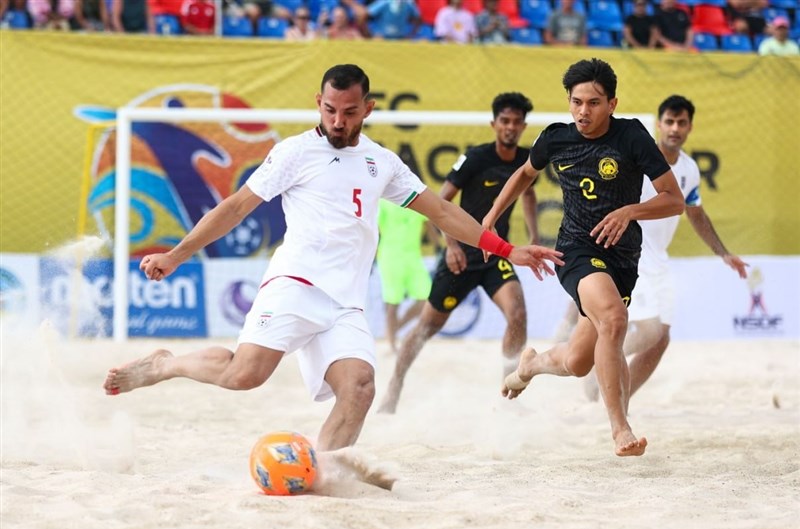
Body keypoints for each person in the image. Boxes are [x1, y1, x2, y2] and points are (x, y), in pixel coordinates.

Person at [103, 65, 563, 472]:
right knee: (245, 375)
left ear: (368, 108)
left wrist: (507, 249)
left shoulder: (382, 162)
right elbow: (237, 205)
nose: (337, 121)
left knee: (360, 387)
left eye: (348, 112)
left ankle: (319, 468)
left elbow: (443, 213)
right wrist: (177, 253)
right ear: (318, 105)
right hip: (296, 283)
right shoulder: (293, 153)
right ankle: (165, 364)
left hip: (345, 302)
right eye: (329, 110)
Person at [484, 58, 685, 457]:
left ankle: (529, 366)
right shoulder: (556, 139)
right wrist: (491, 216)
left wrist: (630, 210)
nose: (582, 112)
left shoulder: (631, 137)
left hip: (623, 258)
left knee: (578, 362)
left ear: (612, 102)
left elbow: (674, 200)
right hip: (576, 249)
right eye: (576, 102)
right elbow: (525, 173)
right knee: (614, 319)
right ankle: (620, 429)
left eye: (593, 103)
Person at [378, 92, 539, 415]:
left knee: (518, 314)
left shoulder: (526, 160)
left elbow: (529, 194)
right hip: (461, 257)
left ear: (523, 126)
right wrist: (450, 246)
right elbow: (440, 203)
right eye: (504, 121)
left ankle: (507, 393)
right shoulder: (475, 158)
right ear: (494, 124)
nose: (510, 127)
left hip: (495, 257)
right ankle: (394, 385)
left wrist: (534, 235)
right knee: (427, 327)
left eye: (516, 122)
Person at [581, 95, 749, 401]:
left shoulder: (690, 169)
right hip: (629, 255)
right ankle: (599, 365)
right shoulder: (638, 159)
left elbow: (695, 214)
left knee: (661, 339)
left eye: (681, 123)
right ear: (658, 124)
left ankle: (619, 398)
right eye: (669, 122)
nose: (674, 128)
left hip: (659, 261)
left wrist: (723, 253)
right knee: (648, 331)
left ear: (689, 127)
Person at [376, 198, 440, 352]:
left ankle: (396, 327)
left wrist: (439, 247)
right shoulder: (383, 201)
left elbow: (428, 224)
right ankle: (391, 345)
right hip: (390, 255)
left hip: (413, 257)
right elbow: (374, 229)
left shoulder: (415, 198)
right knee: (392, 302)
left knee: (426, 299)